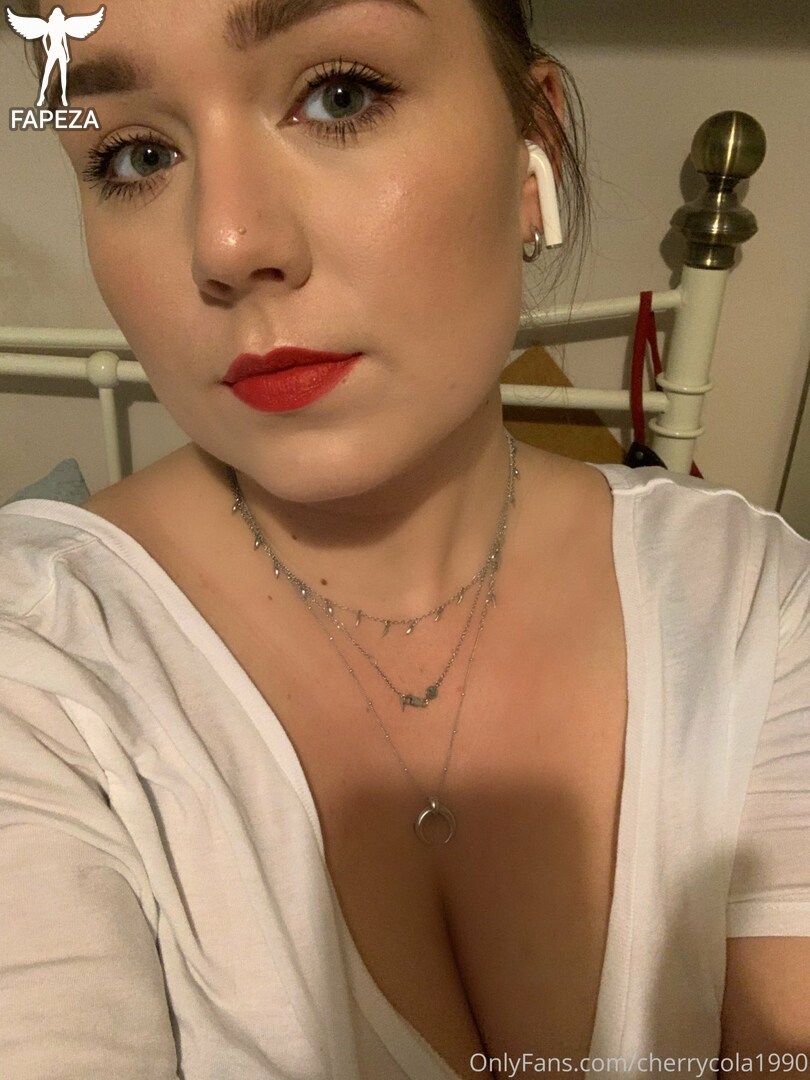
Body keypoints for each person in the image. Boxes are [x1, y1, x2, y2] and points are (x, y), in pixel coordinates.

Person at [1, 1, 809, 1078]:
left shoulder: (747, 600)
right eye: (135, 156)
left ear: (532, 149)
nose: (228, 245)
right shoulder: (38, 668)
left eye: (339, 96)